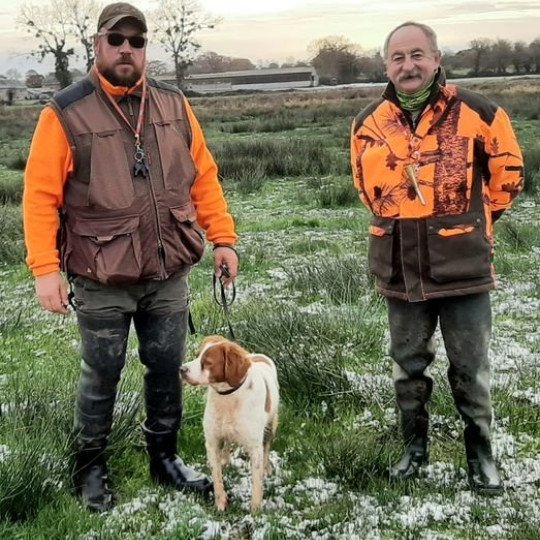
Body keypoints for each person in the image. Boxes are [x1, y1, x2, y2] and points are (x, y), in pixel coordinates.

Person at [23, 2, 238, 512]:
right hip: (100, 273)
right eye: (116, 39)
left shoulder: (173, 103)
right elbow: (39, 196)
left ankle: (163, 459)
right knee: (101, 373)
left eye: (136, 41)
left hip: (168, 271)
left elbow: (203, 177)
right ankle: (89, 468)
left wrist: (223, 239)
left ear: (146, 49)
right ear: (97, 45)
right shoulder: (65, 111)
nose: (126, 49)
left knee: (166, 369)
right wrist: (45, 271)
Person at [350, 21, 523, 495]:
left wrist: (471, 224)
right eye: (398, 58)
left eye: (417, 55)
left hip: (463, 269)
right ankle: (414, 450)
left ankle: (480, 457)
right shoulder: (368, 123)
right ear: (386, 65)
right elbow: (367, 190)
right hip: (399, 269)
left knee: (470, 367)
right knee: (407, 365)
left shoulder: (478, 112)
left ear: (436, 58)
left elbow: (509, 175)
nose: (408, 66)